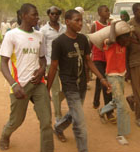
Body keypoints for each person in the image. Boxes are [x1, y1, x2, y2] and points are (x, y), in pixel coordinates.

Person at [48, 9, 111, 152]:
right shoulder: (58, 42)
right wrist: (47, 90)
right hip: (69, 86)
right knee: (80, 124)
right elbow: (53, 67)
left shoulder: (83, 39)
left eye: (81, 20)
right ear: (67, 22)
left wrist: (101, 78)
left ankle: (58, 127)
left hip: (81, 84)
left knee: (74, 112)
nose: (80, 23)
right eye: (77, 20)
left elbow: (88, 60)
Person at [0, 3, 53, 152]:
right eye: (34, 15)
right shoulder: (12, 35)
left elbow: (42, 58)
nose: (37, 17)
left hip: (38, 84)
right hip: (20, 85)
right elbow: (3, 63)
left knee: (46, 121)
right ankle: (5, 134)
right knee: (16, 121)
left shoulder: (39, 35)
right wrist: (13, 84)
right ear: (23, 16)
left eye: (37, 15)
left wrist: (42, 70)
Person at [98, 21, 131, 145]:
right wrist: (113, 24)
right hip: (112, 77)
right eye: (125, 37)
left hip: (121, 75)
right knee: (122, 105)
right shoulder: (109, 43)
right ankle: (121, 134)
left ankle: (102, 111)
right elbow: (111, 39)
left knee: (116, 101)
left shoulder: (124, 44)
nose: (128, 40)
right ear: (118, 37)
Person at [40, 6, 66, 123]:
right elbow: (42, 48)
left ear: (59, 15)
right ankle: (58, 115)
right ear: (48, 15)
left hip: (65, 62)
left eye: (56, 14)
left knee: (68, 88)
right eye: (52, 14)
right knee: (55, 90)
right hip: (51, 63)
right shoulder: (43, 30)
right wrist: (43, 66)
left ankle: (57, 101)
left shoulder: (64, 28)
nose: (54, 16)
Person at [90, 5, 115, 122]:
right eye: (106, 11)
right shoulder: (95, 25)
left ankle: (96, 100)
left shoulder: (111, 25)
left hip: (108, 58)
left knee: (100, 80)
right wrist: (87, 58)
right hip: (97, 58)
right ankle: (109, 112)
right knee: (105, 82)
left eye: (108, 10)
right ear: (99, 13)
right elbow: (91, 41)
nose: (108, 13)